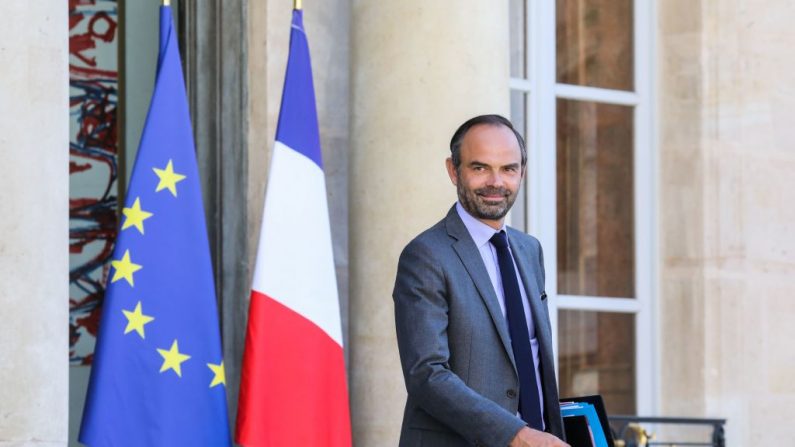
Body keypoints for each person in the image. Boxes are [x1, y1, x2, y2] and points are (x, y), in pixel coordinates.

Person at [393, 114, 569, 447]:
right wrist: (516, 435)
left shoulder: (529, 250)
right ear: (453, 170)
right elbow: (426, 374)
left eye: (508, 169)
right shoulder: (426, 255)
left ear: (522, 173)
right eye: (479, 168)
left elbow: (530, 360)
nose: (495, 182)